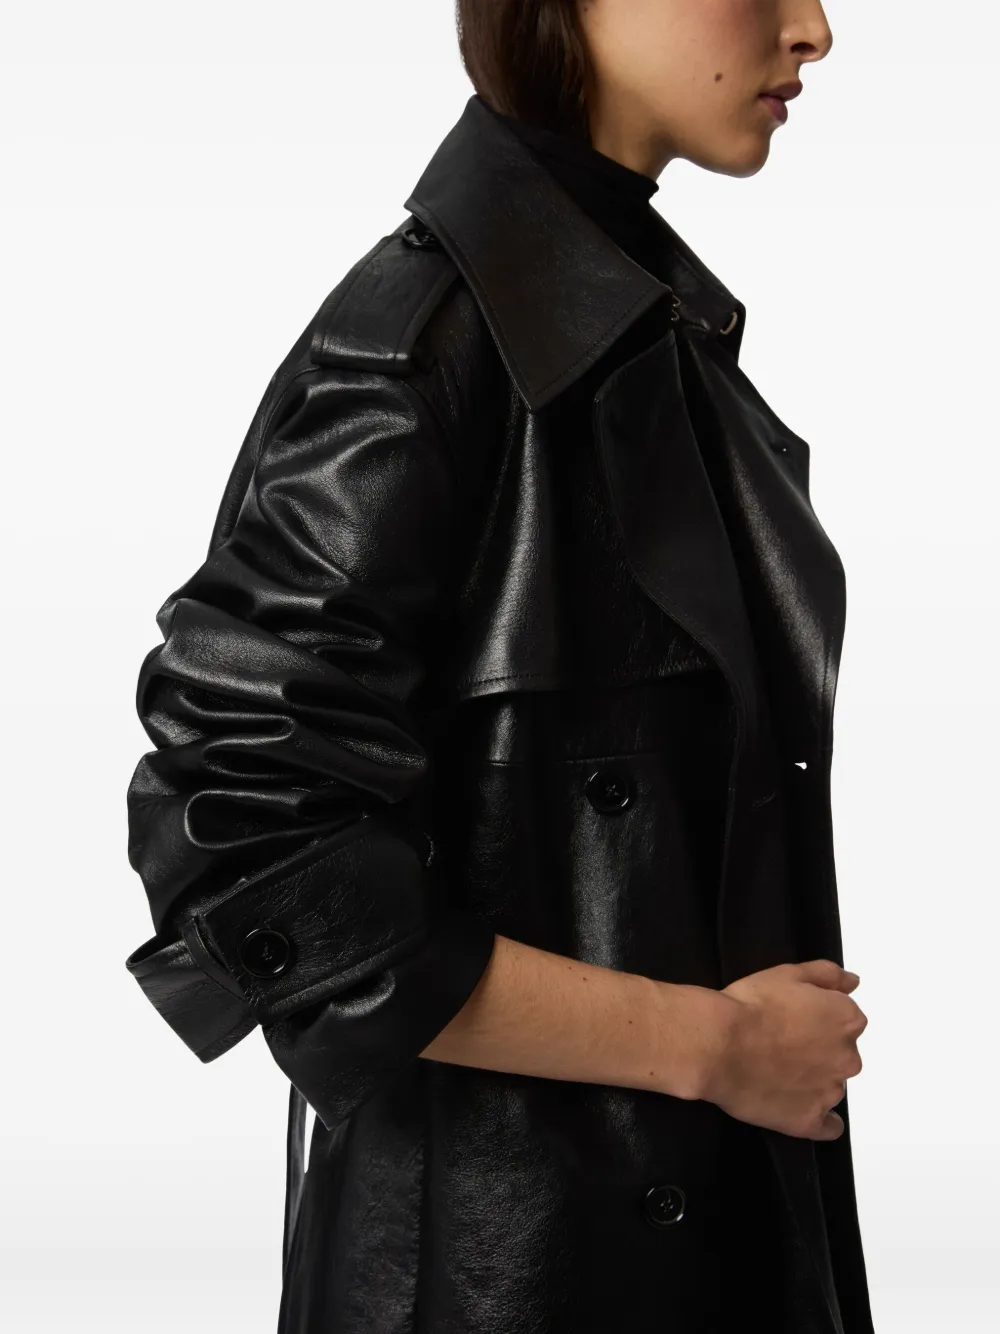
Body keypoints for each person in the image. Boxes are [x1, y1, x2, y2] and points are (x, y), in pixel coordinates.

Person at [124, 1, 872, 1330]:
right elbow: (253, 849)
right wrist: (713, 1048)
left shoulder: (633, 325)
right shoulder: (427, 353)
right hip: (505, 1276)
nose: (811, 28)